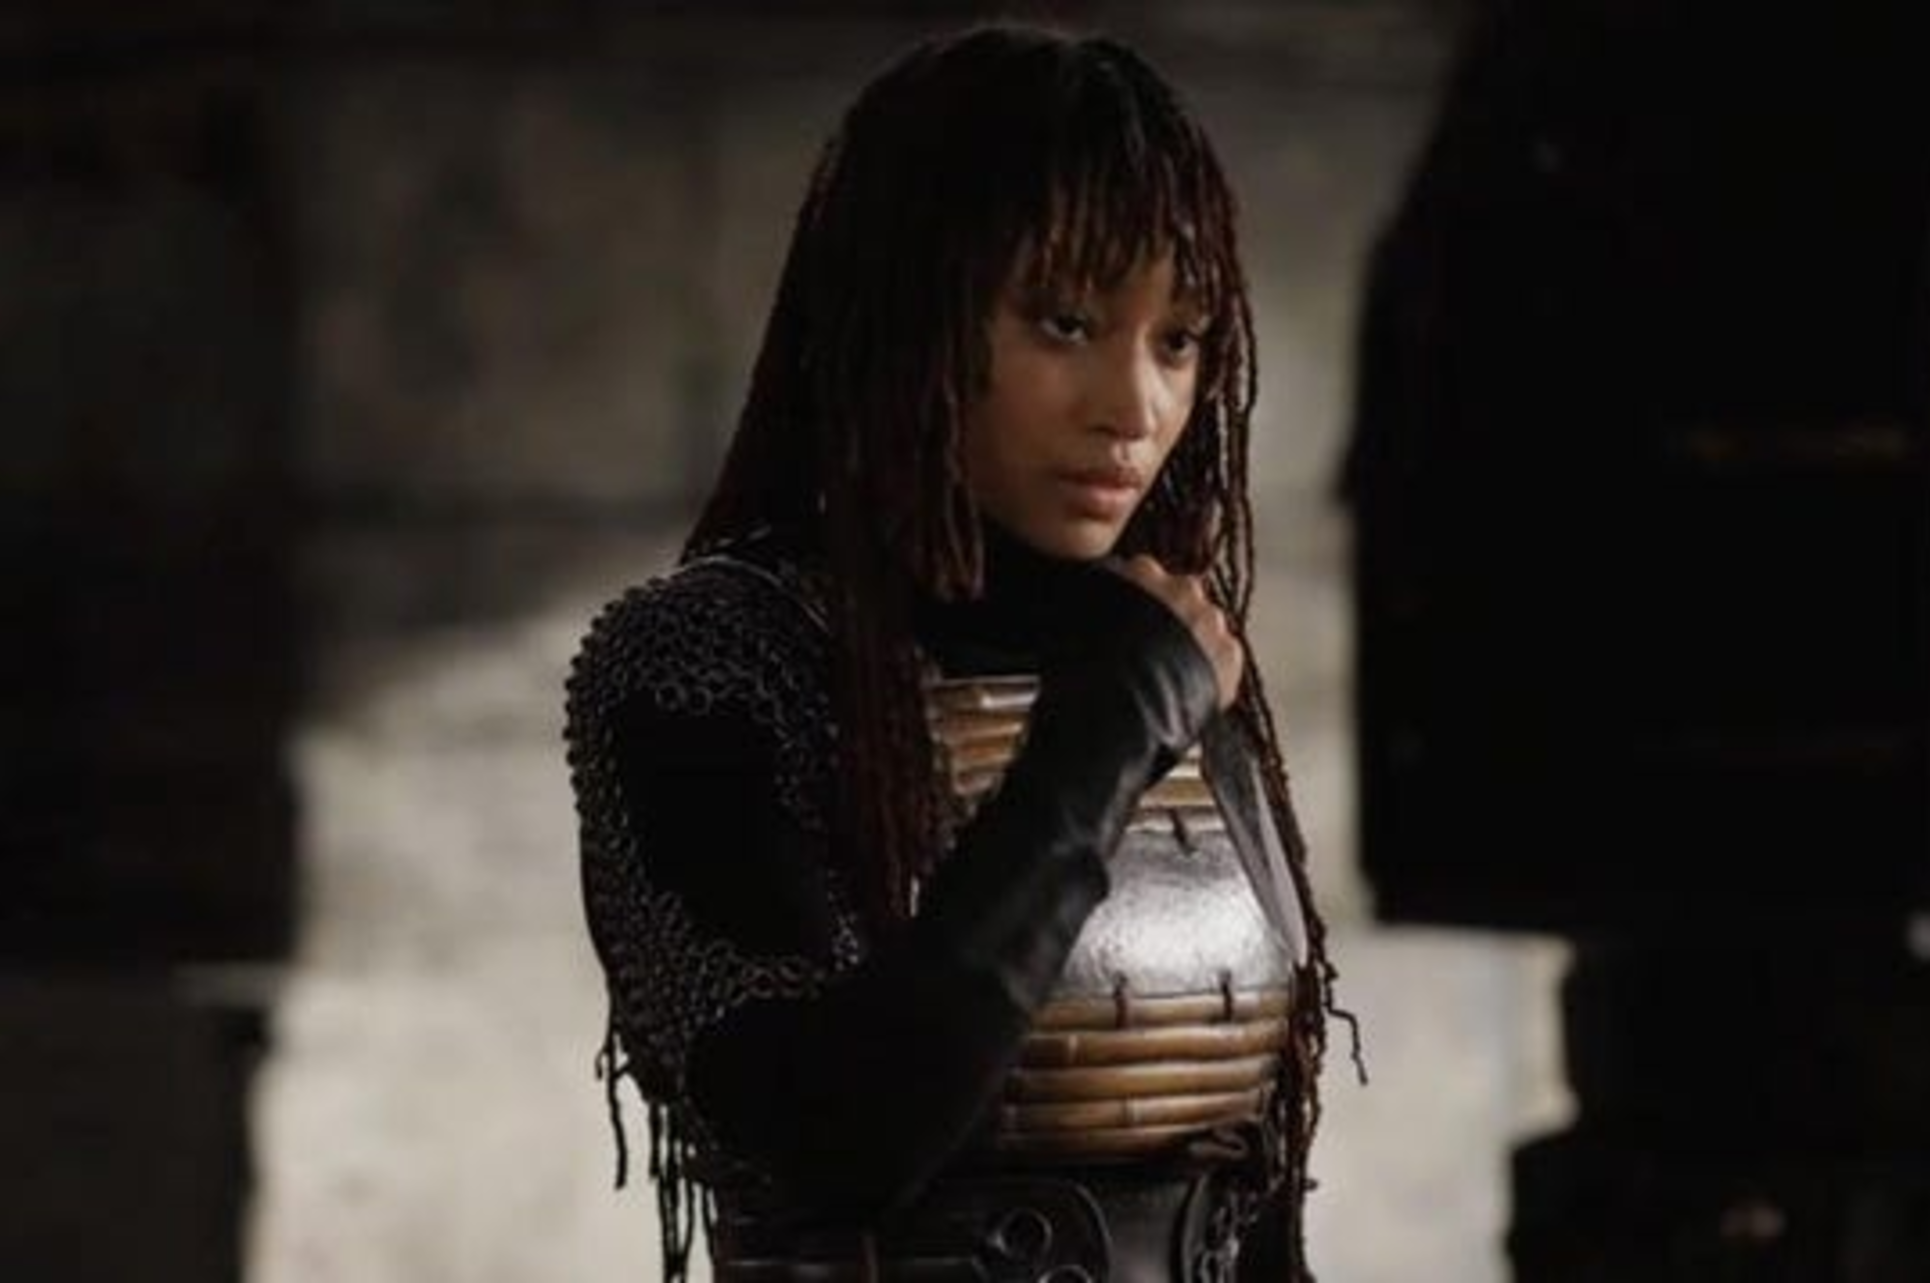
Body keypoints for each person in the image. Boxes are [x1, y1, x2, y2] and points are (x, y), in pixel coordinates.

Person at [565, 22, 1346, 1282]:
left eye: (1178, 339)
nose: (1133, 408)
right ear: (910, 317)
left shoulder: (1164, 653)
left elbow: (1255, 1214)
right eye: (1065, 322)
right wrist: (1100, 739)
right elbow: (841, 1137)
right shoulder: (708, 661)